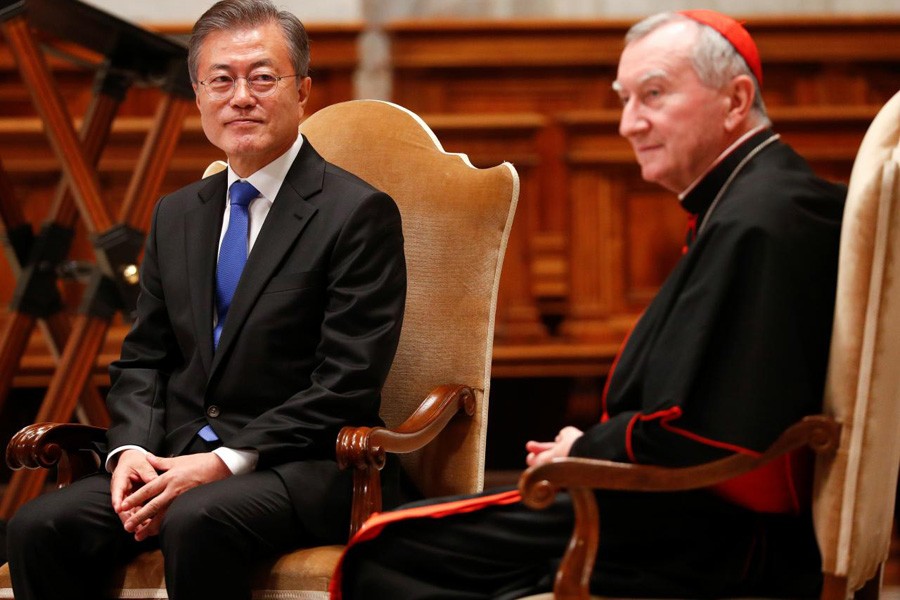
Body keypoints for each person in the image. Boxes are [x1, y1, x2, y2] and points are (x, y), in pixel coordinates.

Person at [332, 9, 846, 599]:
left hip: (711, 538)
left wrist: (585, 451)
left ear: (735, 100)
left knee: (384, 552)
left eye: (652, 95)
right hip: (687, 513)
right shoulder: (760, 199)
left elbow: (713, 432)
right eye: (624, 100)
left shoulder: (762, 221)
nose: (629, 124)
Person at [6, 1, 408, 598]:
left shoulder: (355, 214)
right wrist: (133, 453)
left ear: (302, 92)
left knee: (199, 518)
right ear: (198, 94)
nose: (240, 96)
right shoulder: (178, 214)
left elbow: (346, 383)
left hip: (307, 464)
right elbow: (144, 359)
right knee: (41, 525)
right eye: (221, 79)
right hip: (176, 456)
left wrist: (221, 464)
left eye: (263, 77)